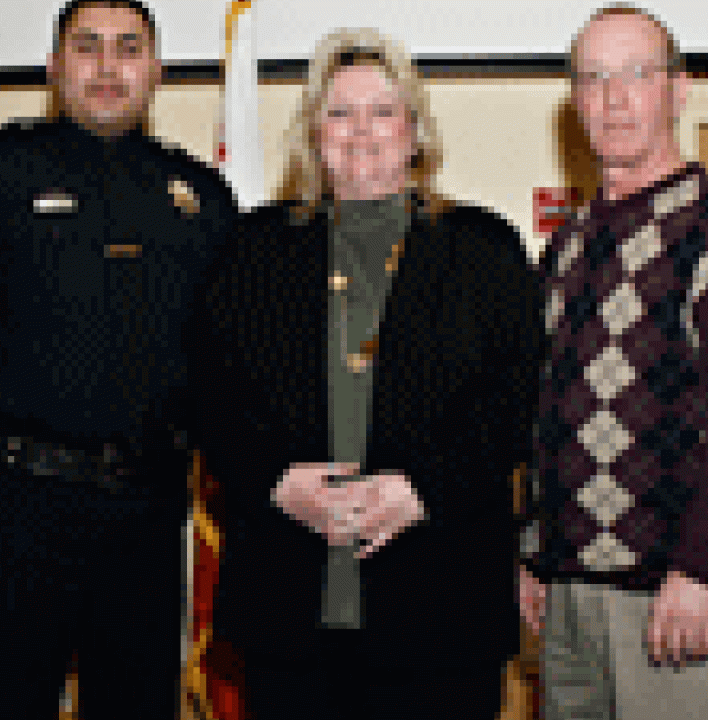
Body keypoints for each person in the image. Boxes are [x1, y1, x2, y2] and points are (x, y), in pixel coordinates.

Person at [190, 28, 546, 720]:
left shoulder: (485, 248)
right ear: (313, 134)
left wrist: (422, 489)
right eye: (340, 113)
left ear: (415, 131)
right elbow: (211, 394)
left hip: (441, 606)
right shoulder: (254, 250)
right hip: (288, 602)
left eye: (383, 111)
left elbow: (516, 399)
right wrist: (276, 481)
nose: (361, 131)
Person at [0, 1, 238, 717]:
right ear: (54, 67)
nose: (108, 66)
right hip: (16, 512)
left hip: (145, 518)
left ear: (157, 71)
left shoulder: (200, 198)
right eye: (87, 46)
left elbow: (231, 360)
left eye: (128, 48)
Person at [517, 5, 708, 719]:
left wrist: (704, 569)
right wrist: (536, 551)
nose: (614, 98)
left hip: (680, 596)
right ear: (576, 101)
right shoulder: (566, 246)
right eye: (594, 78)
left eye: (637, 74)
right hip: (570, 600)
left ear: (678, 90)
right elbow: (547, 413)